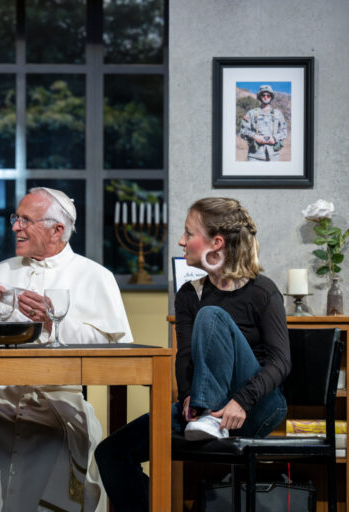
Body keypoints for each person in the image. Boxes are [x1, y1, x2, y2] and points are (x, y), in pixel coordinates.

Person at [95, 197, 291, 511]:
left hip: (256, 405)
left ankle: (207, 416)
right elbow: (185, 357)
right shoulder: (189, 294)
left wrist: (241, 400)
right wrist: (188, 398)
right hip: (203, 411)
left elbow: (281, 361)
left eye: (189, 233)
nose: (181, 241)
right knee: (111, 453)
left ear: (216, 243)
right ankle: (203, 414)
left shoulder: (262, 291)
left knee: (211, 315)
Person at [0, 188, 133, 512]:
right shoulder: (1, 270)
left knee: (57, 433)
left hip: (59, 394)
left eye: (26, 220)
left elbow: (116, 350)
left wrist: (54, 323)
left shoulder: (95, 276)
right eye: (16, 218)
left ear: (57, 230)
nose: (15, 227)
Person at [239, 84, 288, 162]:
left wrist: (275, 138)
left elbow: (284, 131)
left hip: (273, 156)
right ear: (259, 96)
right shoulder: (251, 113)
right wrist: (255, 136)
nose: (265, 97)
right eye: (263, 95)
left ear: (271, 97)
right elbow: (242, 131)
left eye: (268, 95)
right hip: (254, 156)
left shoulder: (277, 113)